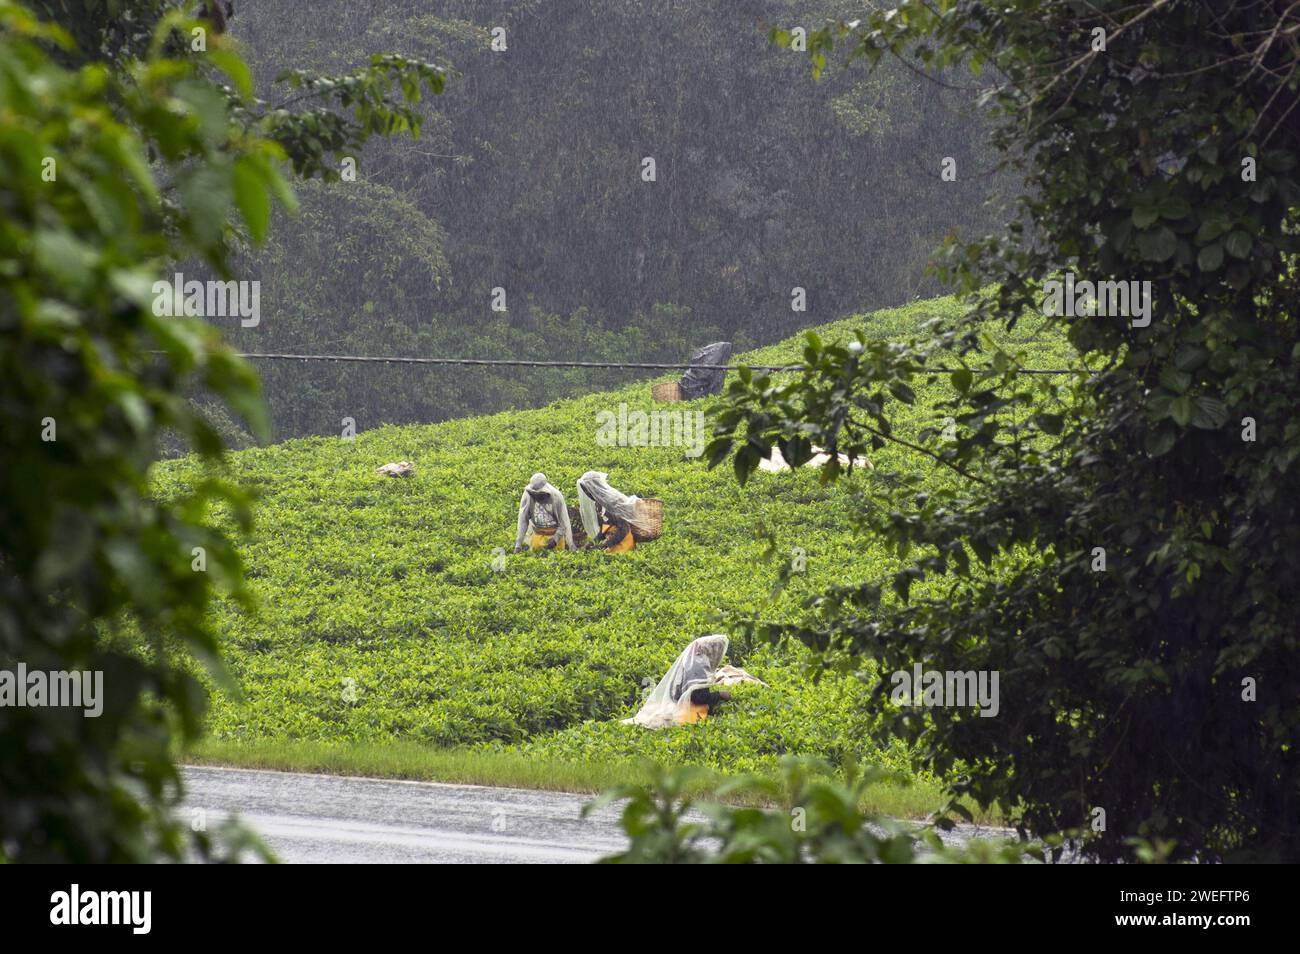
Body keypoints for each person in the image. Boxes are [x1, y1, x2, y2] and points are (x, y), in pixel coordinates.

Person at [625, 634, 733, 729]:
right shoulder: (698, 666)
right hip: (684, 711)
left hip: (677, 703)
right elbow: (698, 697)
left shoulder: (694, 660)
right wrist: (719, 695)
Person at [575, 471, 640, 552]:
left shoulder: (611, 502)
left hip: (623, 543)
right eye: (585, 491)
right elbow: (606, 525)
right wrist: (593, 542)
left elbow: (624, 528)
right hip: (614, 540)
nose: (587, 494)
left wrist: (605, 545)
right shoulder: (599, 503)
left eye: (588, 490)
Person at [513, 473, 574, 552]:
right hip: (537, 536)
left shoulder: (556, 497)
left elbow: (563, 522)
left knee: (556, 559)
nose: (536, 496)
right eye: (534, 494)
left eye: (539, 494)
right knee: (536, 557)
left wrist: (555, 540)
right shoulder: (527, 495)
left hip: (555, 536)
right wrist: (518, 545)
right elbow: (523, 520)